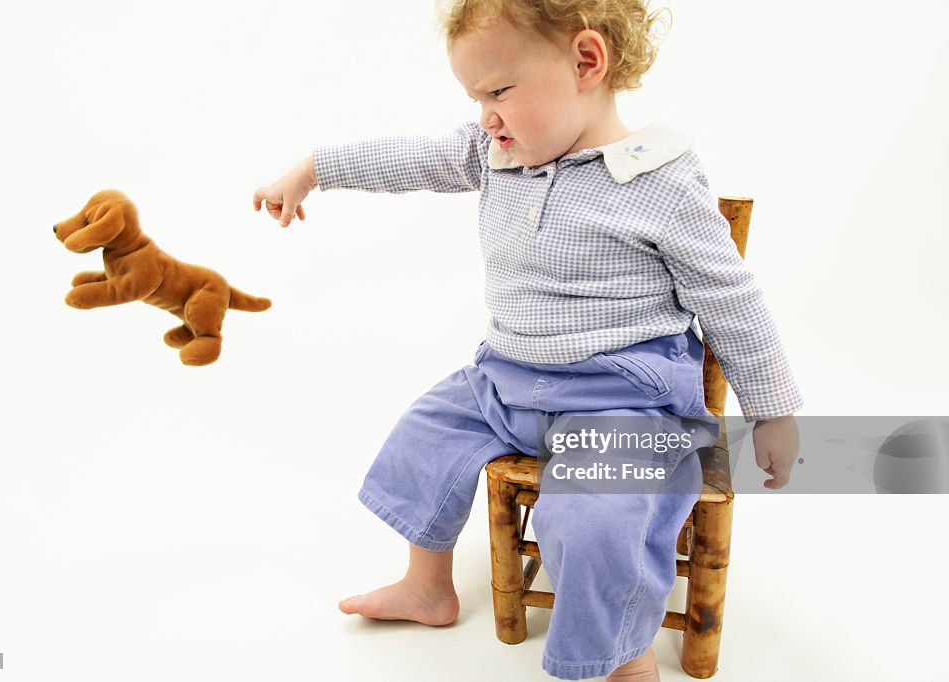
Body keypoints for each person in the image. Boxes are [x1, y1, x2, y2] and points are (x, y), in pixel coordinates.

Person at [252, 1, 803, 679]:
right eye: (474, 97)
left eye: (498, 92)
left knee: (596, 523)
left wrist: (773, 410)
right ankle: (427, 585)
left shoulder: (659, 182)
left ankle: (625, 656)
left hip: (622, 399)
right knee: (422, 434)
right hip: (504, 379)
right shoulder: (495, 153)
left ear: (585, 62)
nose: (485, 116)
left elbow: (732, 301)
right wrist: (314, 168)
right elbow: (413, 157)